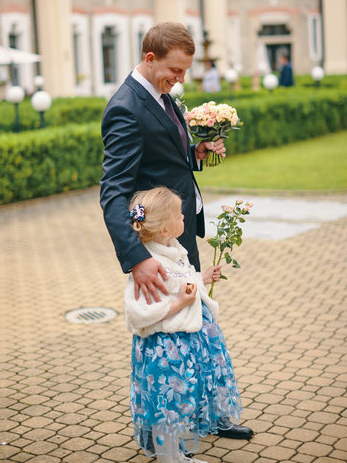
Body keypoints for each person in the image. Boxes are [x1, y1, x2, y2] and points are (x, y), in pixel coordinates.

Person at [100, 22, 253, 441]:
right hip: (156, 248)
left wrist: (197, 152)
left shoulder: (163, 96)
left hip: (179, 233)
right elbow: (113, 194)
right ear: (150, 59)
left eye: (184, 71)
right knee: (164, 342)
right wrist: (138, 258)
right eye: (175, 70)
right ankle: (164, 435)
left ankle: (207, 417)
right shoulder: (125, 108)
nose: (182, 79)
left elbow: (168, 159)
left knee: (198, 327)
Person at [125, 187, 245, 463]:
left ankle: (175, 454)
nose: (184, 218)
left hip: (185, 344)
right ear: (165, 229)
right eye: (180, 215)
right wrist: (179, 305)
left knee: (180, 403)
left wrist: (202, 278)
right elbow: (138, 313)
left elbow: (180, 281)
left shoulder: (174, 250)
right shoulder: (147, 265)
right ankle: (168, 457)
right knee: (166, 405)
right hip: (165, 349)